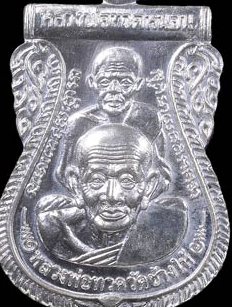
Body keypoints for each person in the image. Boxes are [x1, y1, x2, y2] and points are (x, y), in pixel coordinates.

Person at [37, 124, 186, 266]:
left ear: (149, 187)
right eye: (97, 180)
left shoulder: (169, 229)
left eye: (127, 181)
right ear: (76, 184)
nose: (112, 196)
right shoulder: (56, 231)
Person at [55, 46, 165, 189]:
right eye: (105, 82)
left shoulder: (148, 118)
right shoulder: (78, 123)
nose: (114, 89)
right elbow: (65, 174)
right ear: (92, 82)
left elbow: (160, 174)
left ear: (138, 84)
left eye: (125, 83)